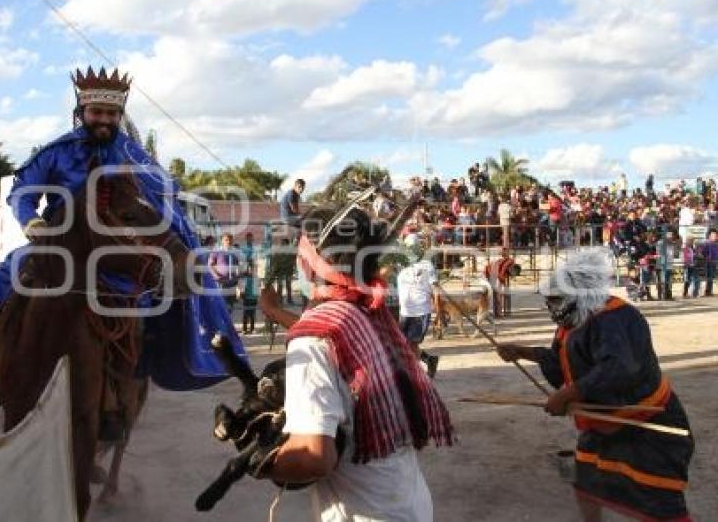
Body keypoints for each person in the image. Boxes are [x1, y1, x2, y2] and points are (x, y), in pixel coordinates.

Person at [0, 67, 246, 418]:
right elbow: (22, 191)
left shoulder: (134, 155)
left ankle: (129, 385)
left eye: (112, 114)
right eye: (97, 113)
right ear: (82, 113)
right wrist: (32, 221)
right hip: (60, 245)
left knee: (148, 298)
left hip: (116, 250)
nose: (104, 120)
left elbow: (161, 196)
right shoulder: (56, 153)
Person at [259, 196, 453, 521]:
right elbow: (325, 333)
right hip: (411, 508)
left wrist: (262, 460)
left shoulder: (316, 338)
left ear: (310, 262)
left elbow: (314, 458)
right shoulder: (370, 314)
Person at [497, 250, 694, 522]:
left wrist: (567, 394)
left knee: (658, 500)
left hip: (646, 423)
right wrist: (520, 352)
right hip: (603, 423)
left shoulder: (615, 318)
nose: (550, 306)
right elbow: (561, 358)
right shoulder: (574, 321)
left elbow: (618, 368)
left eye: (555, 299)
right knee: (588, 484)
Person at [396, 246, 440, 377]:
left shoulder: (427, 265)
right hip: (405, 311)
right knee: (403, 343)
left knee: (412, 343)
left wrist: (438, 311)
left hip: (420, 311)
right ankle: (429, 360)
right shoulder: (400, 265)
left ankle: (414, 374)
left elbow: (436, 290)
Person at [208, 233, 241, 315]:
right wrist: (217, 276)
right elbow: (210, 265)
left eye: (230, 239)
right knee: (221, 304)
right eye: (226, 240)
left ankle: (228, 323)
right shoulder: (217, 251)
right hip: (221, 283)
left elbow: (238, 265)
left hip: (232, 283)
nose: (228, 241)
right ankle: (221, 325)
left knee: (230, 305)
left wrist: (237, 277)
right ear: (222, 241)